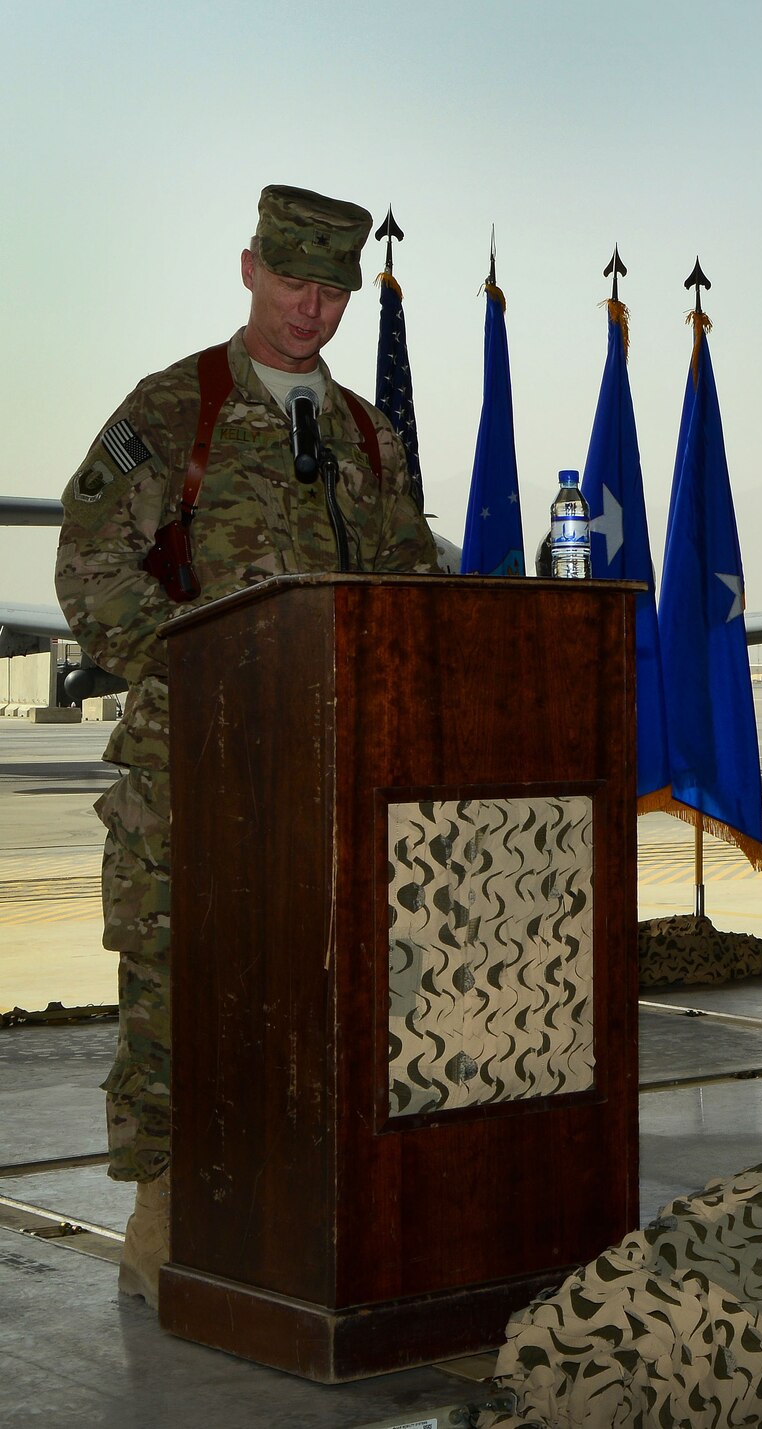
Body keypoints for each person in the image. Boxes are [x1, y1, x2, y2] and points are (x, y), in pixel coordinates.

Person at [54, 185, 441, 1306]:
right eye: (292, 283)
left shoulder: (369, 435)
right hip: (194, 769)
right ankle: (165, 1208)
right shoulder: (176, 410)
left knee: (336, 995)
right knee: (177, 989)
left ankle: (308, 1211)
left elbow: (406, 585)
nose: (311, 312)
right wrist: (199, 674)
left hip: (335, 776)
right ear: (248, 269)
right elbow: (89, 565)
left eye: (332, 291)